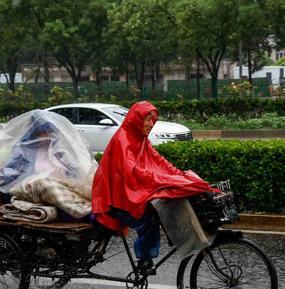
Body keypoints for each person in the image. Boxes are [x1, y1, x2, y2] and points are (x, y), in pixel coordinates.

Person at [91, 101, 216, 274]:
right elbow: (134, 171)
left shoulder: (140, 139)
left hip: (128, 195)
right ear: (136, 119)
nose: (151, 124)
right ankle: (144, 260)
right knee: (147, 220)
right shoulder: (123, 140)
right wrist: (168, 180)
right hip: (115, 200)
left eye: (153, 120)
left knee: (159, 210)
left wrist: (180, 176)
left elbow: (159, 162)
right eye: (147, 119)